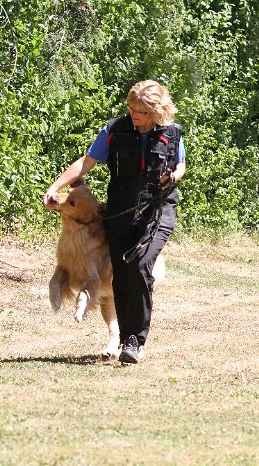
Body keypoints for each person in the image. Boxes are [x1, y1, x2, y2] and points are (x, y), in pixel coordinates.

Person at [42, 80, 185, 364]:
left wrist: (173, 176)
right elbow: (86, 162)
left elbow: (180, 164)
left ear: (157, 111)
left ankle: (135, 341)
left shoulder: (171, 132)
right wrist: (55, 187)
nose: (135, 114)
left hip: (157, 210)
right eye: (132, 108)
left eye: (141, 111)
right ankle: (124, 338)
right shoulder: (115, 130)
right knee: (122, 272)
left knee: (141, 265)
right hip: (121, 210)